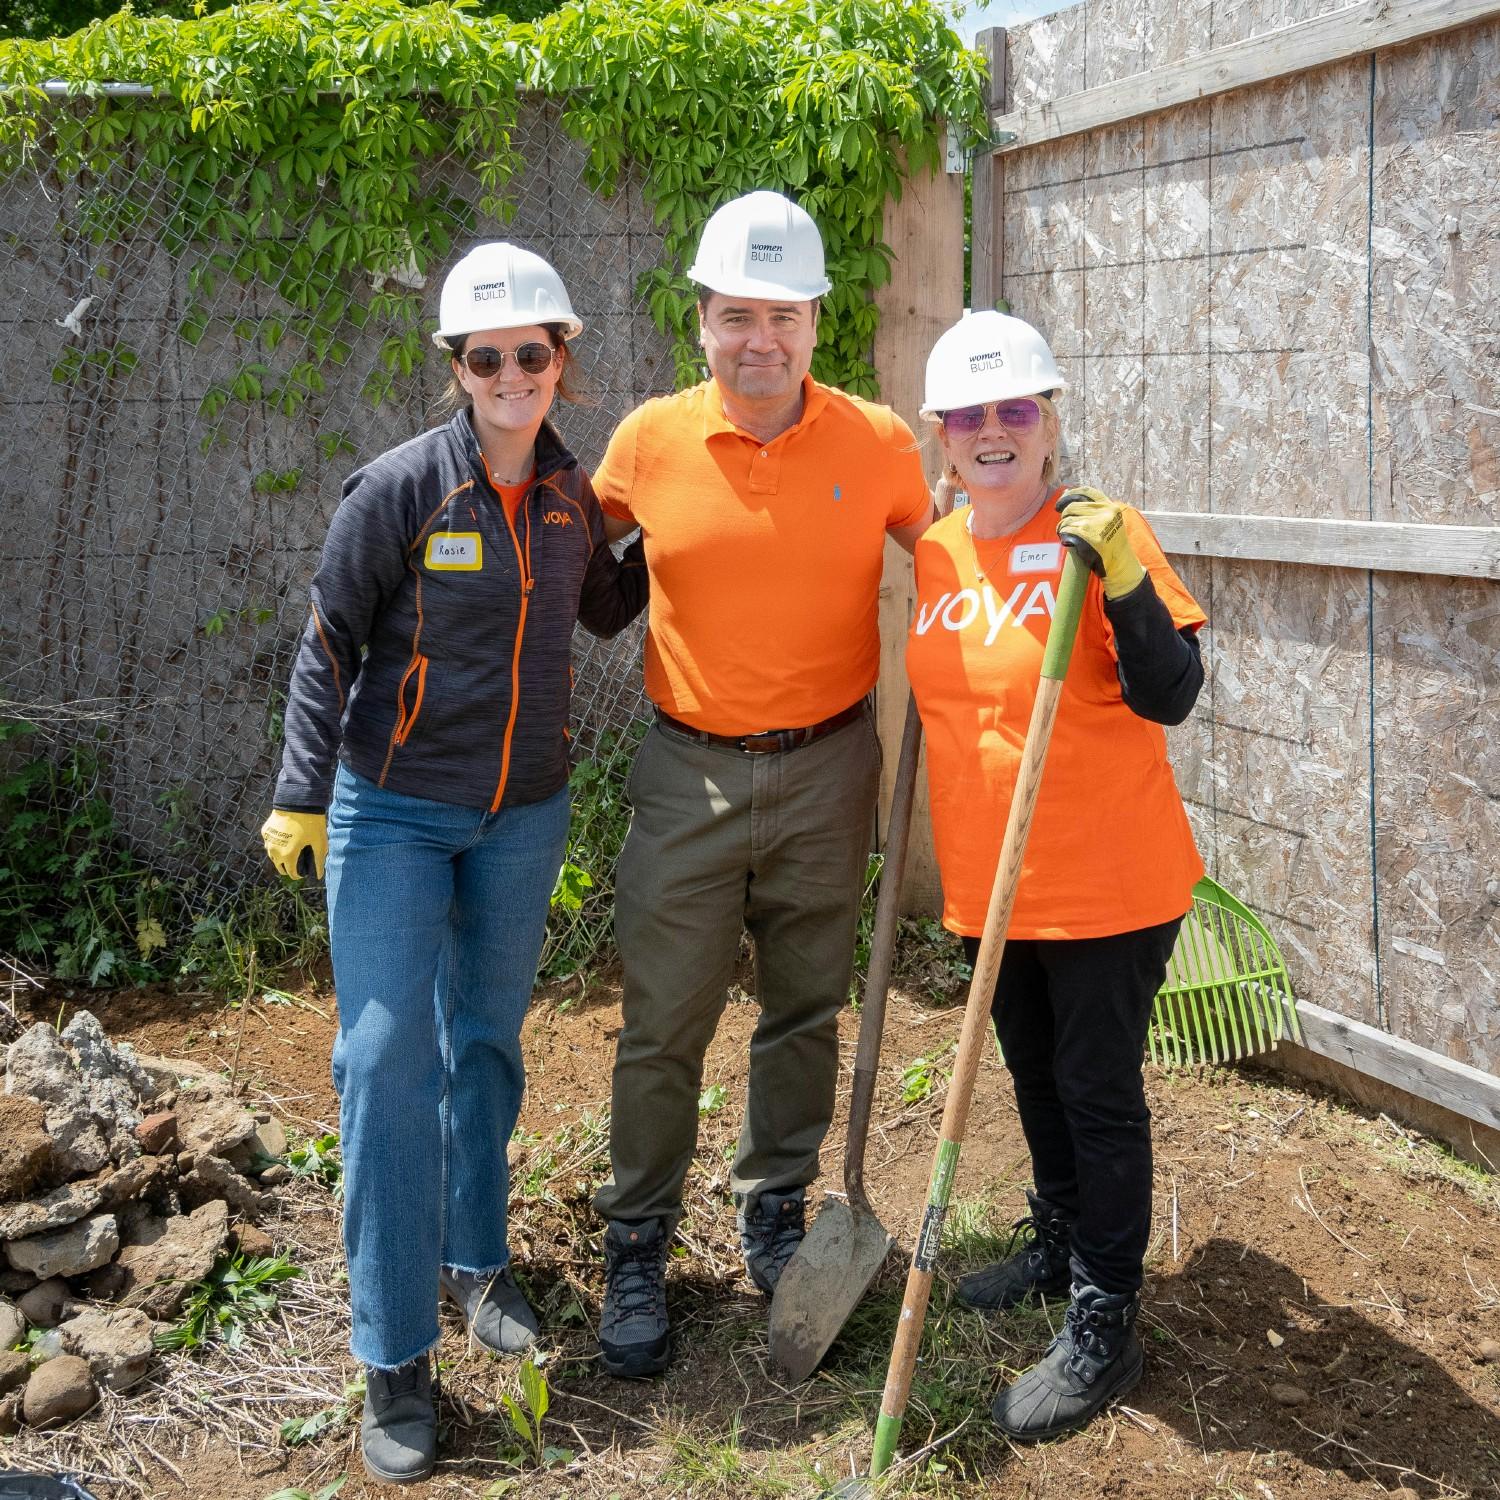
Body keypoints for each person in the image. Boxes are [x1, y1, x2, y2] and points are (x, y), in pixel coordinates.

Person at [258, 242, 647, 1484]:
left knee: (484, 1037)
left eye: (532, 353)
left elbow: (602, 608)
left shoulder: (572, 498)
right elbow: (327, 643)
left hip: (523, 815)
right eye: (487, 357)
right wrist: (299, 797)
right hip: (393, 812)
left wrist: (683, 529)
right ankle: (394, 1354)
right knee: (382, 1058)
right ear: (458, 370)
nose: (511, 374)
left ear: (560, 362)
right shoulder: (398, 490)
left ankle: (478, 1258)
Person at [588, 190, 934, 1378]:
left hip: (833, 767)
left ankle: (776, 1207)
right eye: (737, 314)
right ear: (701, 320)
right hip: (687, 772)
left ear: (817, 323)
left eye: (783, 316)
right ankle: (637, 1240)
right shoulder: (647, 443)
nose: (760, 341)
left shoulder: (881, 445)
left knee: (803, 1007)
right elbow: (568, 555)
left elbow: (955, 559)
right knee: (663, 1021)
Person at [905, 310, 1206, 1441]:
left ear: (1049, 423)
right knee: (1032, 1071)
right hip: (996, 882)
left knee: (1094, 1087)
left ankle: (1105, 1317)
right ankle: (1061, 1238)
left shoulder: (1103, 532)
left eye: (1014, 410)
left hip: (1107, 882)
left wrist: (1123, 580)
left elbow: (1171, 691)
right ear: (942, 436)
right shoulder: (938, 549)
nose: (993, 432)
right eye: (969, 416)